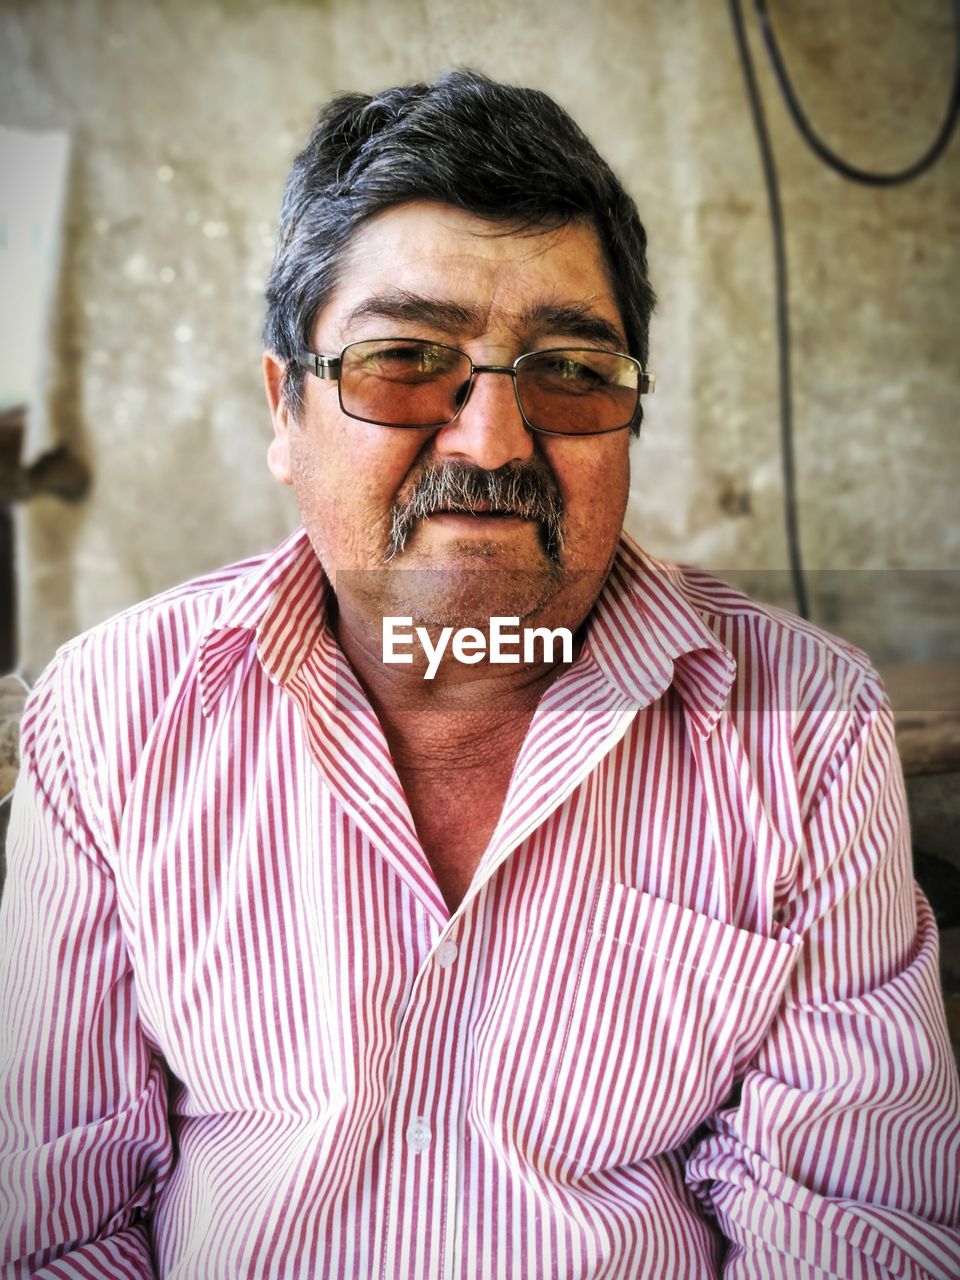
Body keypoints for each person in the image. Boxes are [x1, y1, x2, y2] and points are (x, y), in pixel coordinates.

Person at [1, 69, 958, 1280]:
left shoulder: (802, 729)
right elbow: (51, 1226)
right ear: (284, 408)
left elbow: (854, 1231)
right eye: (405, 358)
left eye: (570, 369)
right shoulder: (111, 716)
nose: (494, 438)